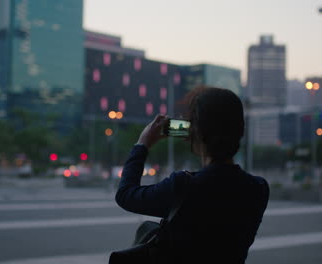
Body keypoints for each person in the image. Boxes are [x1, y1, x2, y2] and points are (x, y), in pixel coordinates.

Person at [115, 86, 269, 263]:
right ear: (240, 130)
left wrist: (142, 144)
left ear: (195, 131)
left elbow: (125, 195)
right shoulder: (259, 188)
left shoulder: (184, 186)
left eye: (188, 121)